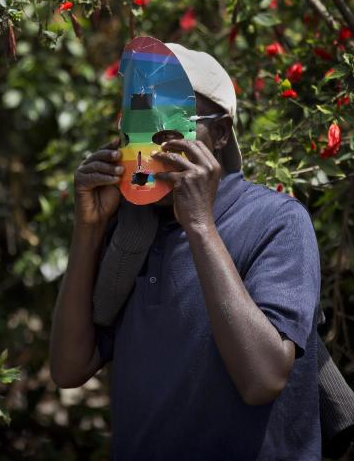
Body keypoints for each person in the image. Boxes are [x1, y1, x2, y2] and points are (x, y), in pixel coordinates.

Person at [49, 44, 322, 460]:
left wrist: (199, 224)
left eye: (170, 129)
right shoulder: (130, 230)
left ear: (222, 132)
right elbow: (69, 368)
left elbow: (263, 380)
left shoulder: (276, 221)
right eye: (136, 127)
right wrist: (89, 228)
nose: (151, 149)